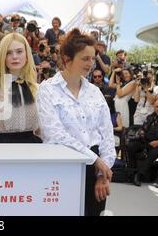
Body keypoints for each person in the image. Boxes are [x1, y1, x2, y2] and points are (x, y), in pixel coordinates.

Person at [36, 28, 116, 216]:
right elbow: (54, 134)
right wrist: (95, 160)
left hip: (97, 171)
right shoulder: (47, 89)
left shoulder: (95, 92)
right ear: (67, 59)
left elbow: (107, 135)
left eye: (93, 58)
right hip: (63, 167)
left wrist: (102, 174)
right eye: (85, 58)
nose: (91, 64)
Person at [0, 33, 41, 143]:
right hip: (3, 152)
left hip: (33, 150)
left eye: (19, 51)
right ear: (3, 57)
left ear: (27, 54)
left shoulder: (38, 89)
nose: (14, 57)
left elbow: (43, 131)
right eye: (8, 53)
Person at [126, 99, 158, 186]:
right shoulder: (150, 117)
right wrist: (140, 133)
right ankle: (132, 172)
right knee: (131, 146)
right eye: (157, 106)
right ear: (154, 108)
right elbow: (143, 129)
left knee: (154, 152)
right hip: (147, 141)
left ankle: (139, 175)